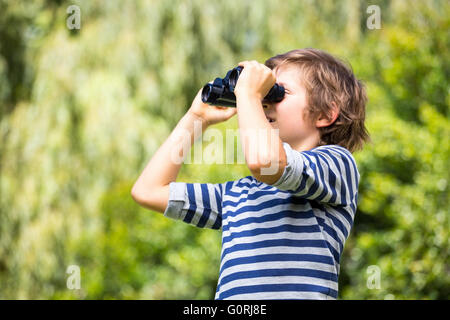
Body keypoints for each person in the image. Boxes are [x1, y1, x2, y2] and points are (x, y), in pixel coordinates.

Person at [131, 48, 370, 299]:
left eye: (278, 92)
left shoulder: (337, 165)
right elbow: (148, 191)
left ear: (325, 114)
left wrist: (248, 93)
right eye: (264, 93)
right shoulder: (238, 194)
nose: (264, 101)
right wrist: (196, 118)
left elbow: (267, 163)